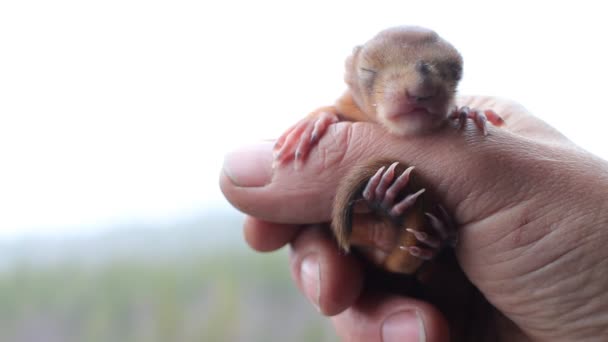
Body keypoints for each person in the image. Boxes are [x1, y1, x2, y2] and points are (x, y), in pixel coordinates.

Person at [220, 96, 608, 341]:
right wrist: (319, 118)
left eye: (438, 77)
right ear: (355, 74)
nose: (413, 91)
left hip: (449, 282)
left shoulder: (461, 129)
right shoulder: (345, 112)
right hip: (396, 265)